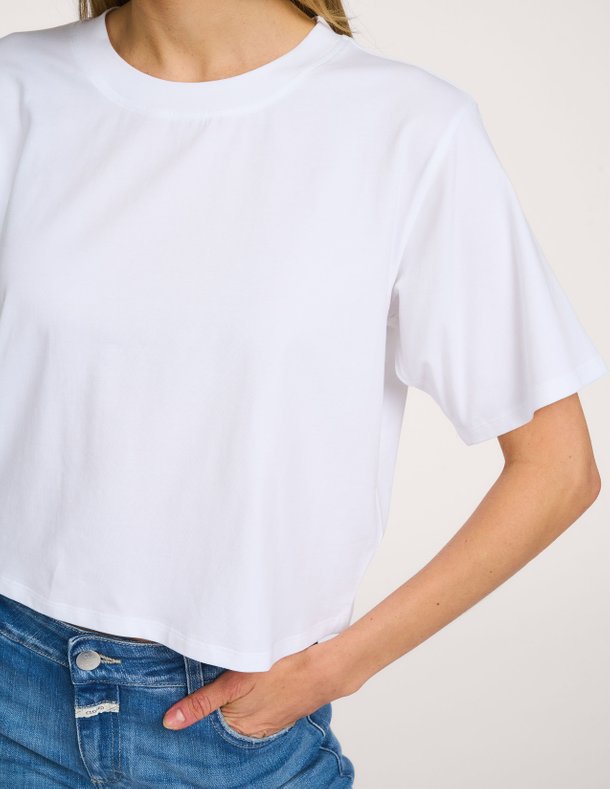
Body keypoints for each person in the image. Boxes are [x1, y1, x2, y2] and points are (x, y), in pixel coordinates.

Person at [0, 0, 606, 786]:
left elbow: (558, 470)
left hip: (238, 734)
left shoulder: (407, 127)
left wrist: (338, 666)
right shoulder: (20, 88)